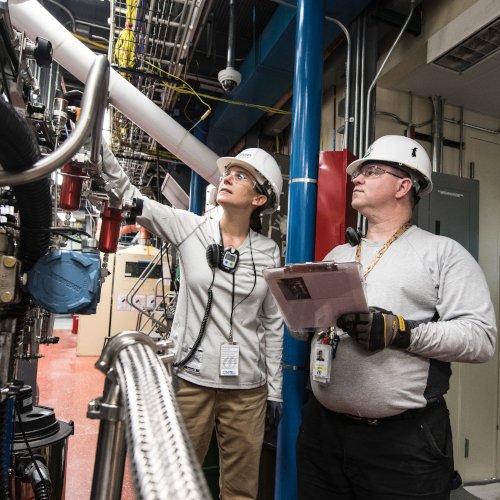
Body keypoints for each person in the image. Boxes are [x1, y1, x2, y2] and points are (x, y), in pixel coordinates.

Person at [296, 135, 497, 499]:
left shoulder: (442, 254)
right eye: (358, 174)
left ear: (404, 185)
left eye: (370, 172)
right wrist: (304, 321)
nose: (355, 179)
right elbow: (310, 329)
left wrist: (399, 332)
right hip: (322, 435)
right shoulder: (340, 252)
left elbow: (480, 339)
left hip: (402, 445)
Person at [100, 145, 284, 499]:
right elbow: (129, 196)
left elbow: (272, 324)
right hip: (192, 382)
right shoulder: (190, 228)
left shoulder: (268, 251)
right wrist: (99, 151)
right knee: (175, 481)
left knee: (241, 489)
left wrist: (274, 390)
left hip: (247, 390)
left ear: (259, 199)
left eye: (241, 175)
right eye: (228, 172)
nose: (228, 177)